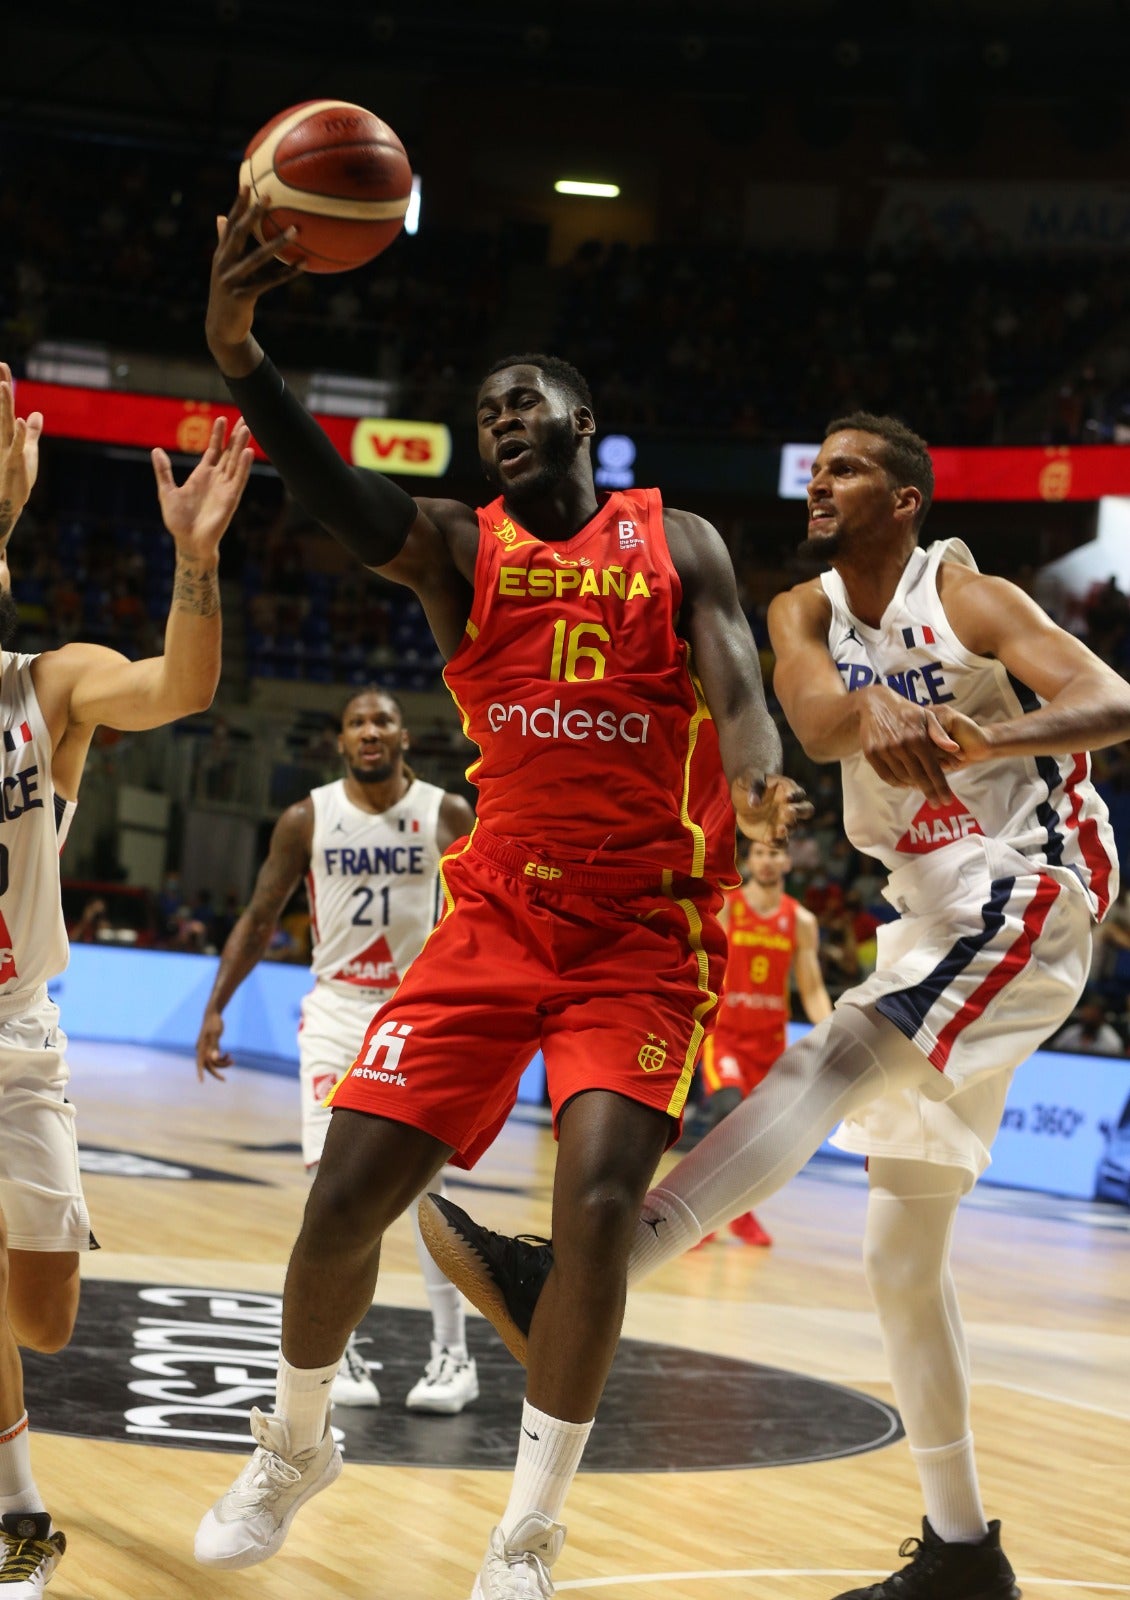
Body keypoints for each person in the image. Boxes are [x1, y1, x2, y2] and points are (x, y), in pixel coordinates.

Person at [191, 190, 808, 1594]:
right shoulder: (465, 550)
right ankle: (292, 1447)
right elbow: (345, 500)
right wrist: (243, 358)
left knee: (595, 1208)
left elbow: (736, 685)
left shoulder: (679, 541)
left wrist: (764, 775)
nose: (500, 421)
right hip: (497, 918)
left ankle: (527, 1529)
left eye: (522, 401)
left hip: (640, 933)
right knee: (343, 1202)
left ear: (580, 416)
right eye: (484, 413)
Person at [426, 412, 1130, 1600]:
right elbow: (806, 721)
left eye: (845, 470)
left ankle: (590, 1267)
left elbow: (1109, 697)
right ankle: (962, 1557)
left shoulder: (968, 598)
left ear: (904, 499)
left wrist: (969, 735)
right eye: (813, 467)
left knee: (837, 1052)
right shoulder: (800, 608)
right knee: (899, 1255)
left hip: (1033, 876)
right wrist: (875, 715)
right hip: (927, 905)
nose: (818, 483)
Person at [0, 361, 251, 1597]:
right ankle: (15, 1510)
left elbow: (184, 687)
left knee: (40, 1319)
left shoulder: (46, 687)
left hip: (16, 1039)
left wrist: (193, 562)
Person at [195, 684, 480, 1412]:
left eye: (382, 719)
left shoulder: (446, 812)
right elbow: (261, 916)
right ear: (341, 741)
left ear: (405, 736)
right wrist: (216, 1008)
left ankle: (453, 1356)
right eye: (356, 723)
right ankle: (341, 1351)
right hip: (334, 1011)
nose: (369, 731)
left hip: (418, 1014)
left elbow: (487, 913)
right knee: (335, 1190)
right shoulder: (306, 818)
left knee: (423, 1189)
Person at [691, 837, 832, 1246]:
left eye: (775, 853)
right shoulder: (731, 907)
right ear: (748, 860)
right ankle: (701, 1216)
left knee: (758, 1136)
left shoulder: (800, 919)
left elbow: (812, 988)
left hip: (769, 1042)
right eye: (760, 853)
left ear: (788, 860)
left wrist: (831, 1033)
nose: (767, 861)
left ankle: (740, 1213)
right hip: (727, 1036)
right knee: (727, 1110)